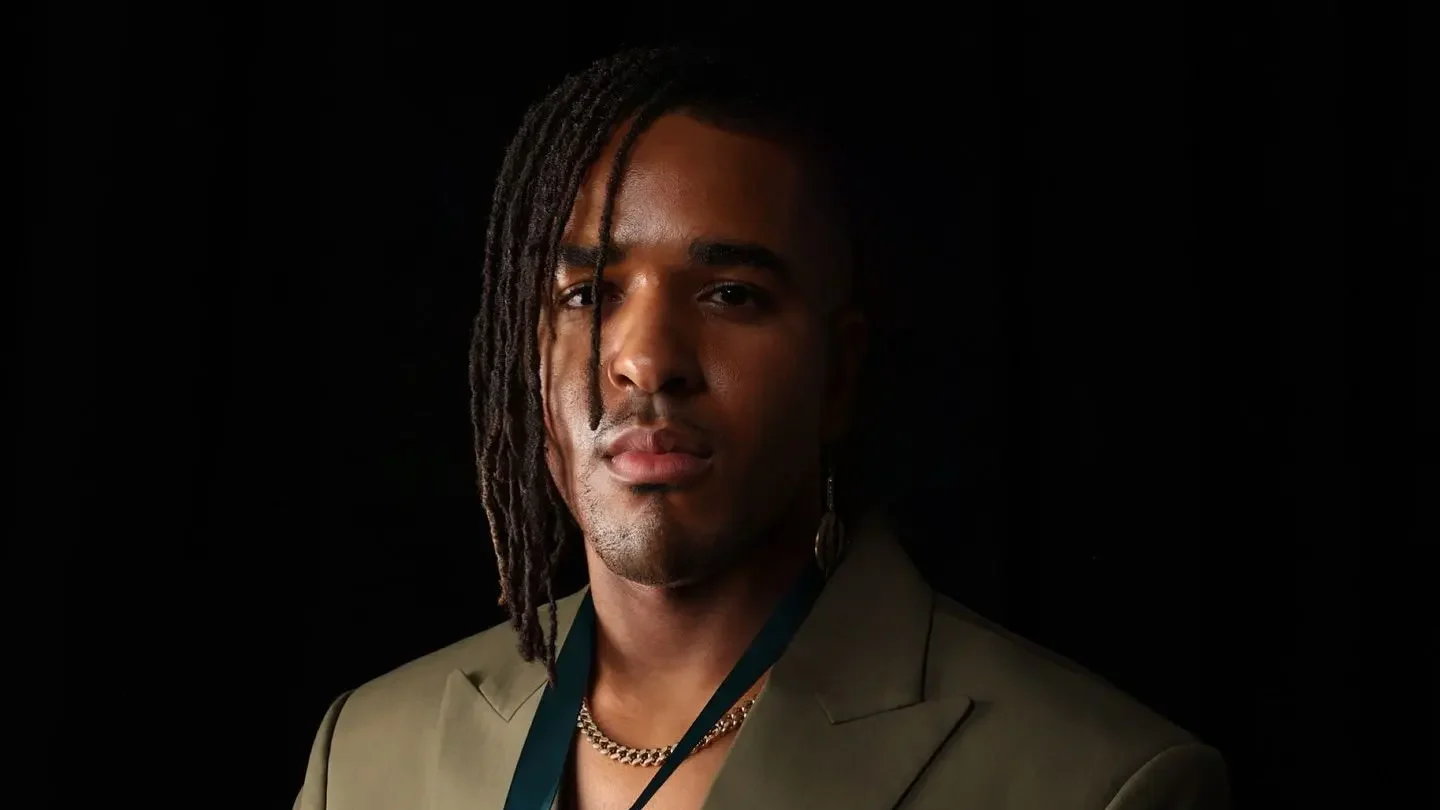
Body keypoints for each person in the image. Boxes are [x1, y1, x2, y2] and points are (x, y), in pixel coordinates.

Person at [294, 46, 1229, 810]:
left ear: (839, 374)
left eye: (730, 294)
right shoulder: (365, 756)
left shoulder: (1101, 785)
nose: (645, 359)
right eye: (587, 294)